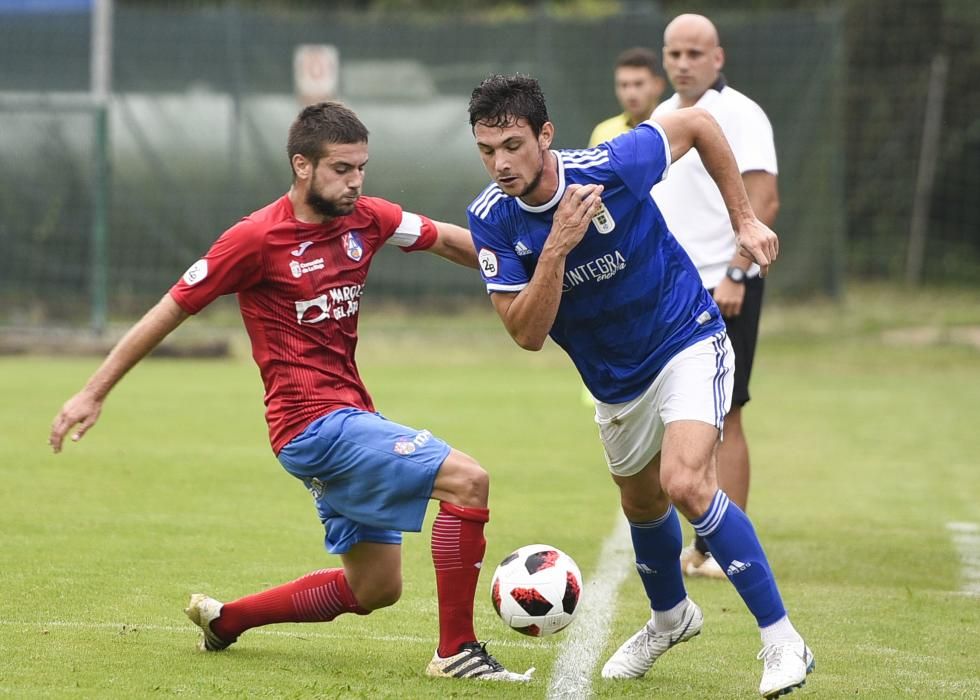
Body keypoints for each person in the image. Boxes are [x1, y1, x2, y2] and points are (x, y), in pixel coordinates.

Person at [48, 101, 532, 683]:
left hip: (348, 416)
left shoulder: (368, 218)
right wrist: (93, 392)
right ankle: (457, 652)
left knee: (376, 587)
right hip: (313, 426)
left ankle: (226, 621)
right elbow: (171, 309)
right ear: (302, 166)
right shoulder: (255, 238)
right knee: (468, 480)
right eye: (341, 169)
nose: (355, 182)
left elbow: (448, 241)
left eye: (362, 168)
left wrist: (521, 267)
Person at [465, 74, 813, 698]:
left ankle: (783, 639)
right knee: (642, 504)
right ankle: (670, 619)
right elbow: (525, 333)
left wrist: (744, 220)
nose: (500, 163)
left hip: (686, 337)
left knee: (685, 483)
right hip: (614, 382)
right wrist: (556, 252)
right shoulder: (491, 218)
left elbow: (701, 125)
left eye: (513, 145)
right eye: (487, 149)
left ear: (545, 135)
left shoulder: (613, 164)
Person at [652, 13, 781, 581]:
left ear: (718, 57)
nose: (683, 62)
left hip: (724, 284)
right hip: (674, 289)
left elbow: (765, 201)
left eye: (694, 53)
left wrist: (737, 273)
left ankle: (732, 549)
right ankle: (704, 545)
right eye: (674, 52)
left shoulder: (741, 113)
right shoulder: (662, 116)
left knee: (727, 413)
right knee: (683, 416)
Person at [588, 46, 666, 148]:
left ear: (658, 85)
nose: (631, 93)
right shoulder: (602, 132)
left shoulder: (675, 128)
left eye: (638, 84)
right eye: (623, 85)